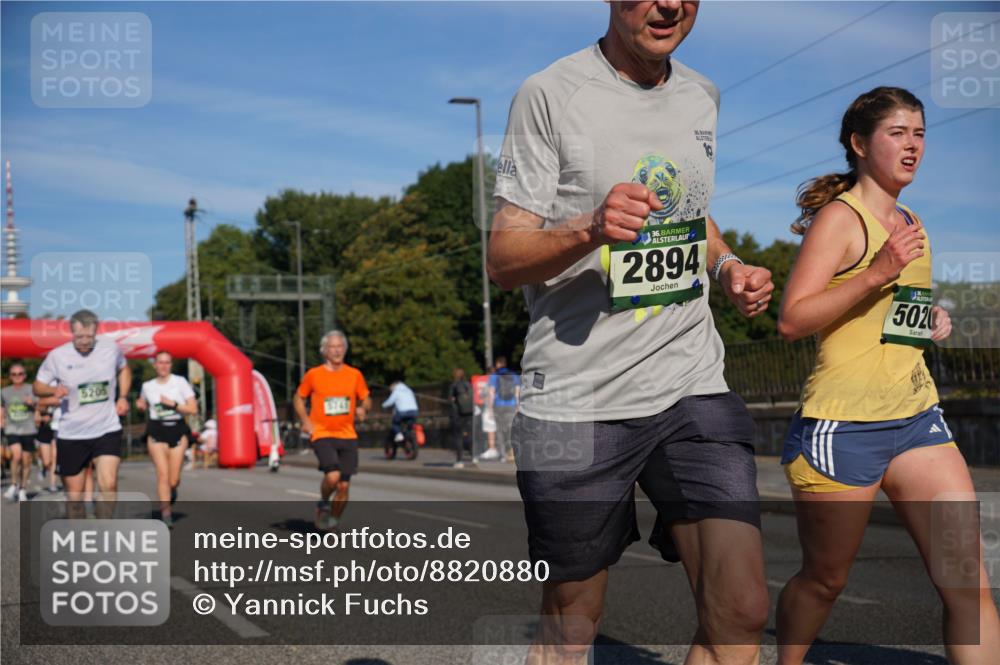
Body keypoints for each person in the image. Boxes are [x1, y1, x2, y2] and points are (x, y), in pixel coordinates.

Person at [488, 2, 775, 662]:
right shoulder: (549, 95)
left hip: (690, 379)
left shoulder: (702, 95)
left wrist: (727, 266)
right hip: (577, 396)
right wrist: (591, 226)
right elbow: (503, 257)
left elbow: (692, 213)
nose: (669, 4)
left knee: (742, 605)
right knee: (573, 622)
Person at [775, 86, 1000, 664]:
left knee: (967, 584)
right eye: (897, 133)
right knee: (825, 581)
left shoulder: (912, 221)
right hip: (841, 428)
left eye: (920, 133)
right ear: (859, 143)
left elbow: (890, 319)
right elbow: (793, 319)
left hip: (916, 421)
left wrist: (928, 317)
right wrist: (876, 273)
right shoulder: (839, 219)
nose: (912, 146)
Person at [33, 309, 130, 519]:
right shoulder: (58, 356)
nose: (85, 341)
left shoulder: (110, 349)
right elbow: (37, 387)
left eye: (89, 337)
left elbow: (124, 369)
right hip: (72, 434)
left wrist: (122, 396)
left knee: (109, 484)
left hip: (106, 429)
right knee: (74, 497)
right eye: (79, 337)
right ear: (71, 333)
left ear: (96, 332)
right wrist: (53, 390)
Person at [293, 330, 370, 532]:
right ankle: (324, 502)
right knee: (333, 477)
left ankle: (333, 521)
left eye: (340, 347)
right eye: (332, 347)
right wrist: (305, 420)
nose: (337, 351)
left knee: (344, 486)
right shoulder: (314, 375)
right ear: (324, 351)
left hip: (348, 434)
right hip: (322, 433)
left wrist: (363, 408)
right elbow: (298, 398)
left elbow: (366, 397)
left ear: (345, 349)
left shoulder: (354, 375)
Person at [136, 351, 198, 527]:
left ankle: (172, 490)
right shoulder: (148, 386)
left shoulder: (180, 382)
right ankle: (166, 513)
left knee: (173, 479)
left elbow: (193, 409)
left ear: (171, 365)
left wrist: (174, 405)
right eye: (160, 362)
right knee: (162, 474)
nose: (163, 366)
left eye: (167, 363)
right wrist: (140, 405)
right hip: (156, 429)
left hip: (177, 428)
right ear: (154, 364)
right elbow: (142, 401)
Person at [2, 362, 39, 502]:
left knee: (27, 460)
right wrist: (1, 421)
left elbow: (40, 406)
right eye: (14, 374)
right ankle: (13, 485)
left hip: (28, 428)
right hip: (12, 428)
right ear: (10, 376)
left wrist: (33, 403)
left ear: (24, 375)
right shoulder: (4, 392)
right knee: (16, 455)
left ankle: (23, 488)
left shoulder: (31, 389)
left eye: (20, 374)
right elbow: (2, 409)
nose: (17, 376)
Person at [484, 356, 519, 462]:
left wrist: (490, 408)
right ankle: (512, 452)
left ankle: (503, 455)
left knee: (499, 431)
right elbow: (517, 392)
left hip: (498, 405)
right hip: (511, 405)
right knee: (510, 429)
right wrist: (517, 406)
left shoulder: (494, 376)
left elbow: (491, 392)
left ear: (498, 364)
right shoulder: (513, 375)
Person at [448, 367, 474, 467]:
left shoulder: (454, 386)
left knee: (458, 436)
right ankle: (473, 456)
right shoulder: (469, 384)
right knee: (470, 435)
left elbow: (450, 400)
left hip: (457, 414)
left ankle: (459, 460)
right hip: (469, 413)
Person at [382, 380, 419, 445]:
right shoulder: (409, 390)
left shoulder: (396, 391)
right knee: (409, 427)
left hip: (402, 412)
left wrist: (383, 405)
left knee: (395, 423)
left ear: (394, 386)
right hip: (414, 411)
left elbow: (390, 402)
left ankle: (399, 435)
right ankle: (408, 438)